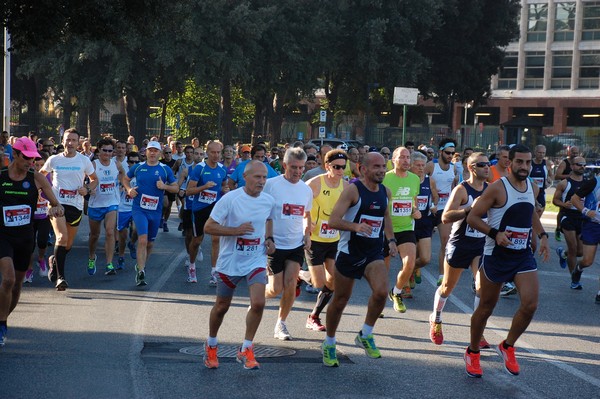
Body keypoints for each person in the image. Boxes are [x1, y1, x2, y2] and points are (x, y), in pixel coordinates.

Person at [464, 144, 549, 378]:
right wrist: (495, 234)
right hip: (496, 256)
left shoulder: (532, 186)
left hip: (522, 255)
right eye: (520, 162)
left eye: (528, 162)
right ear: (509, 163)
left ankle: (508, 346)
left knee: (530, 304)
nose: (524, 167)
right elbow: (472, 217)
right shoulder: (496, 189)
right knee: (486, 308)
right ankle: (472, 352)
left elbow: (531, 211)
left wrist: (542, 235)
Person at [322, 152, 398, 367]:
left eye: (383, 166)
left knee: (382, 292)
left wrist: (391, 240)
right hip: (350, 252)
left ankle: (365, 333)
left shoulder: (386, 191)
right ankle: (329, 343)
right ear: (362, 169)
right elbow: (333, 220)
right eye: (376, 166)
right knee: (340, 300)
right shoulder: (352, 191)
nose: (382, 170)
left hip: (373, 252)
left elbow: (385, 216)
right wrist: (355, 226)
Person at [202, 161, 276, 370]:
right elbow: (209, 227)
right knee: (222, 306)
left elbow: (269, 219)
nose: (262, 181)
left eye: (264, 177)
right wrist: (235, 231)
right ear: (245, 177)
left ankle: (246, 348)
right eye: (257, 177)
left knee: (259, 302)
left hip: (255, 260)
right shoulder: (230, 199)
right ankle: (212, 344)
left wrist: (269, 239)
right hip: (230, 261)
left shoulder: (269, 200)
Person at [0, 137, 64, 345]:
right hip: (3, 236)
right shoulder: (1, 176)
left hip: (25, 238)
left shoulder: (36, 178)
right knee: (8, 279)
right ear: (15, 155)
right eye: (26, 157)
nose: (30, 161)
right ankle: (1, 325)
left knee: (17, 284)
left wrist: (56, 208)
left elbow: (55, 203)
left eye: (33, 158)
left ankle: (3, 319)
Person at [430, 152, 490, 347]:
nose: (487, 168)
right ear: (472, 168)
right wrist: (468, 210)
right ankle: (436, 318)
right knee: (447, 287)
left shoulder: (490, 190)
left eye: (488, 164)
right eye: (482, 165)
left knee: (482, 287)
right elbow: (445, 216)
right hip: (460, 243)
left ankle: (478, 332)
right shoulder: (462, 190)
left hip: (480, 245)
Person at [263, 147, 312, 341]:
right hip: (275, 244)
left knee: (290, 284)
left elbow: (306, 214)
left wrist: (307, 234)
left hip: (295, 244)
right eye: (293, 167)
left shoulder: (306, 189)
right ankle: (259, 297)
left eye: (301, 168)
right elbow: (265, 213)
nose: (297, 172)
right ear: (284, 165)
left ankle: (281, 323)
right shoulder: (271, 185)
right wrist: (268, 238)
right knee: (275, 289)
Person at [41, 129, 98, 290]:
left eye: (74, 140)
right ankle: (61, 278)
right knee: (61, 238)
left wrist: (86, 188)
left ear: (78, 142)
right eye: (68, 140)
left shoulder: (84, 161)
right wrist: (43, 195)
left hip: (76, 206)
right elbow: (41, 175)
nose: (70, 143)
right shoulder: (54, 160)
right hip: (56, 204)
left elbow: (95, 180)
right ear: (63, 140)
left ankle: (53, 260)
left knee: (67, 245)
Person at [122, 141, 179, 286]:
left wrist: (164, 186)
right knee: (142, 239)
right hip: (139, 209)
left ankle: (141, 266)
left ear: (159, 153)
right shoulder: (138, 167)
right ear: (145, 152)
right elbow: (125, 179)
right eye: (150, 150)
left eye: (155, 151)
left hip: (155, 211)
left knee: (150, 243)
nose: (152, 153)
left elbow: (176, 188)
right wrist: (129, 189)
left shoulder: (165, 169)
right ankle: (141, 272)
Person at [304, 149, 348, 331]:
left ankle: (313, 316)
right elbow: (301, 204)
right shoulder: (314, 183)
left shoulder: (345, 187)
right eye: (336, 167)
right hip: (314, 238)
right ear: (327, 166)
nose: (340, 170)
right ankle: (299, 274)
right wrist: (307, 223)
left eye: (343, 167)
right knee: (318, 283)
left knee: (333, 282)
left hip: (333, 239)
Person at [185, 141, 229, 285]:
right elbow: (189, 191)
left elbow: (224, 186)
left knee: (216, 239)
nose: (216, 155)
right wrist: (204, 187)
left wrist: (226, 191)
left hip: (215, 208)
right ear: (207, 153)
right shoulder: (200, 168)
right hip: (199, 209)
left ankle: (214, 271)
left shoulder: (222, 169)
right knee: (197, 241)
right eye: (213, 152)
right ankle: (192, 265)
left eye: (218, 152)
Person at [384, 146, 421, 313]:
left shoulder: (414, 179)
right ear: (393, 160)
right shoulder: (384, 179)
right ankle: (378, 302)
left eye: (408, 157)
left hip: (406, 227)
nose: (406, 160)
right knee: (382, 272)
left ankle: (396, 292)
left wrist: (415, 210)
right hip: (386, 229)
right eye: (402, 157)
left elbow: (413, 200)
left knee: (409, 264)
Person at [87, 139, 125, 276]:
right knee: (94, 235)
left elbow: (123, 174)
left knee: (110, 232)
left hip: (112, 203)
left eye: (110, 151)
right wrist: (89, 188)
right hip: (95, 204)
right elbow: (85, 180)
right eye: (105, 150)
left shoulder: (116, 164)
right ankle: (92, 256)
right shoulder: (93, 165)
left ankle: (109, 264)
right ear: (99, 150)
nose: (107, 153)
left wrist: (121, 185)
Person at [425, 138, 457, 286]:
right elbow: (420, 183)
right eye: (448, 152)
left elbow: (454, 188)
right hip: (429, 208)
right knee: (423, 244)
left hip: (444, 209)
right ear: (441, 151)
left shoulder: (454, 168)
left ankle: (441, 275)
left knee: (445, 240)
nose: (450, 155)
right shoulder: (431, 166)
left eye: (453, 153)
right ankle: (415, 269)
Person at [553, 157, 586, 283]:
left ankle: (562, 253)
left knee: (580, 251)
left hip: (581, 218)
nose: (582, 167)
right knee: (573, 248)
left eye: (584, 165)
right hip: (567, 217)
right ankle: (574, 279)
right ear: (572, 166)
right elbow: (555, 200)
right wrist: (563, 204)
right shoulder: (564, 183)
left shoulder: (588, 183)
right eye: (579, 164)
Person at [569, 167, 600, 303]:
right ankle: (578, 268)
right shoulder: (594, 182)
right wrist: (586, 211)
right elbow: (575, 199)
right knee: (587, 260)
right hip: (592, 225)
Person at [410, 151, 438, 287]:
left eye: (423, 165)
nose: (421, 168)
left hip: (425, 221)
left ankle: (412, 269)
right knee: (411, 255)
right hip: (410, 222)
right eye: (417, 165)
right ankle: (405, 286)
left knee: (425, 258)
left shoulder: (429, 180)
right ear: (410, 166)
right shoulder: (407, 180)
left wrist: (433, 205)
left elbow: (435, 195)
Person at [116, 152, 140, 270]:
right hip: (123, 207)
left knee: (136, 229)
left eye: (136, 162)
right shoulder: (123, 173)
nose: (134, 164)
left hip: (136, 207)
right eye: (131, 162)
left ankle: (132, 244)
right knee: (123, 235)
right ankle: (121, 256)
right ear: (128, 162)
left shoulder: (141, 173)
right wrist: (121, 188)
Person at [555, 146, 580, 241]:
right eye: (573, 152)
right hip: (565, 189)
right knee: (562, 209)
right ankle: (558, 228)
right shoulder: (564, 163)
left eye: (576, 153)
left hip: (575, 190)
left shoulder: (579, 163)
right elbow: (557, 176)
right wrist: (568, 176)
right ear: (569, 153)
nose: (575, 154)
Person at [530, 145, 553, 217]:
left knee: (540, 210)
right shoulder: (529, 163)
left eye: (543, 153)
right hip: (530, 191)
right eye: (539, 152)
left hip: (541, 192)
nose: (541, 155)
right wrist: (531, 180)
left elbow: (551, 175)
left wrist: (549, 181)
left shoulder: (547, 163)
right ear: (535, 152)